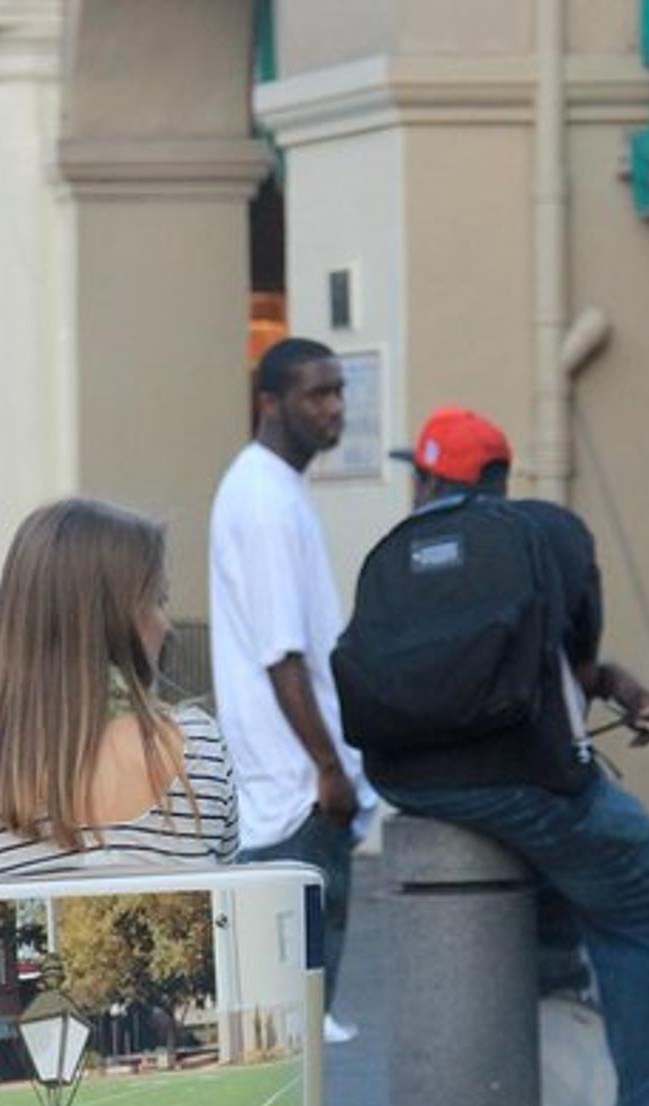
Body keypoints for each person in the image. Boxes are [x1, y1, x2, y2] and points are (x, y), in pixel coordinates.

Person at [358, 406, 649, 1106]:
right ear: (501, 479)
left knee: (557, 880)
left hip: (409, 780)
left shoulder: (402, 551)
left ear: (426, 482)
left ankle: (531, 1088)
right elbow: (568, 674)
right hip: (521, 778)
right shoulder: (551, 533)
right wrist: (605, 681)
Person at [0, 498, 237, 879]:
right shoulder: (200, 752)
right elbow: (226, 896)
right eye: (157, 602)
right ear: (117, 619)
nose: (166, 626)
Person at [210, 338, 375, 1062]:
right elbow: (282, 655)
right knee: (292, 1004)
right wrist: (328, 769)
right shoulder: (265, 500)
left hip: (294, 779)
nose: (334, 407)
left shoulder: (275, 488)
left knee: (298, 1001)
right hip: (294, 785)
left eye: (339, 391)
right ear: (270, 403)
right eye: (317, 394)